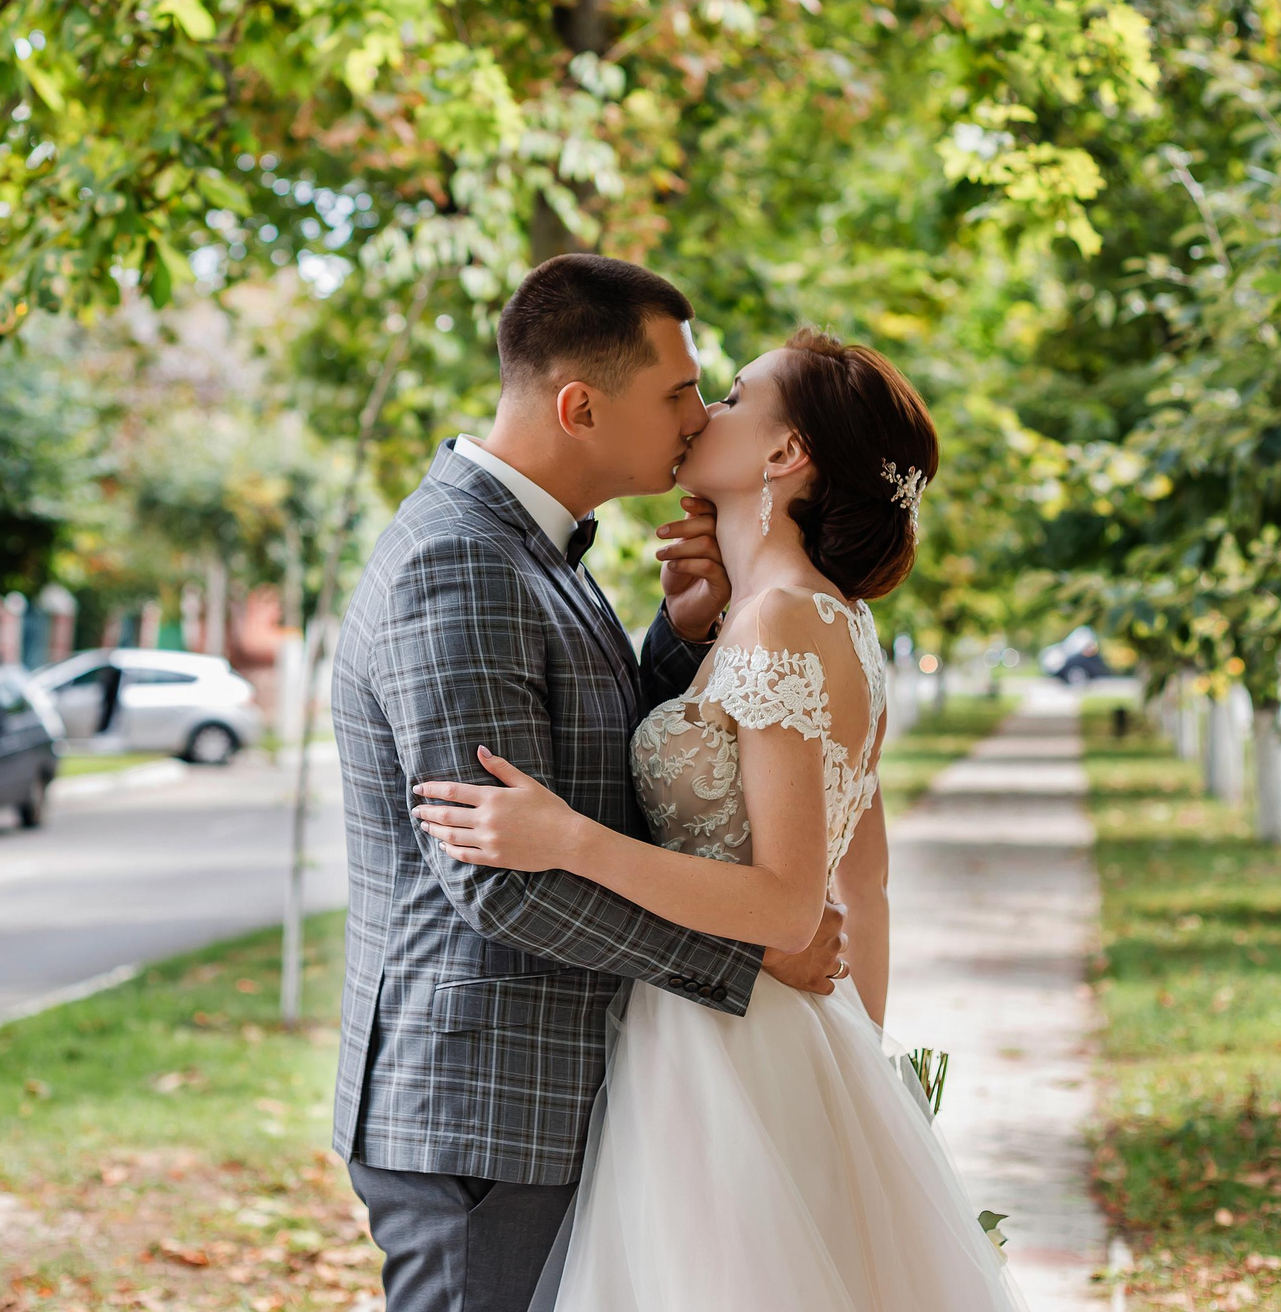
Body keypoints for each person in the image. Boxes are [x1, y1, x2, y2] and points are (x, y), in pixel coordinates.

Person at [414, 329, 1027, 1312]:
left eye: (735, 396)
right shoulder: (823, 617)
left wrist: (569, 838)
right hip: (776, 1037)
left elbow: (790, 906)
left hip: (722, 1045)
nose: (704, 412)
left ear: (785, 453)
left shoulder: (780, 620)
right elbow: (862, 885)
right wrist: (856, 1076)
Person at [330, 255, 849, 1312]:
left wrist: (678, 638)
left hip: (542, 1098)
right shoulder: (459, 561)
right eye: (677, 391)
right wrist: (752, 952)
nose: (697, 417)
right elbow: (499, 878)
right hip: (482, 1109)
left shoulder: (533, 547)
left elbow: (584, 776)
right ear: (579, 407)